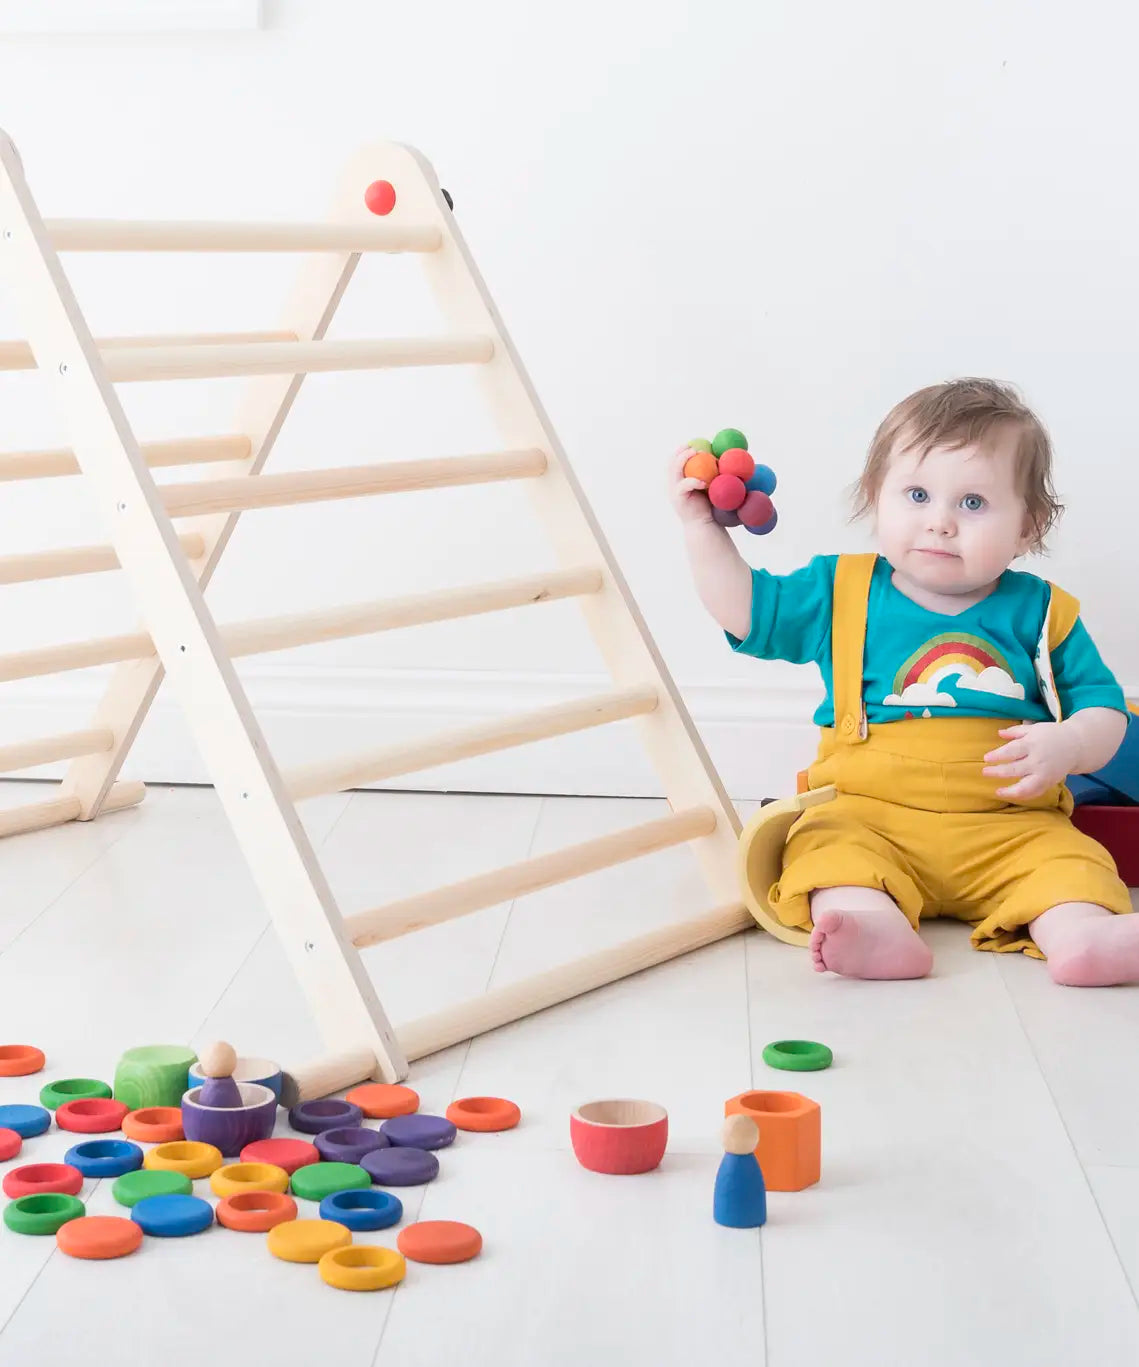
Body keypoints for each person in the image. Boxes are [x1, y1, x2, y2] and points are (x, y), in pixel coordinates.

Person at [672, 379, 1136, 985]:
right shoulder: (841, 590)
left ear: (1028, 526)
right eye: (917, 494)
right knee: (826, 850)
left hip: (1010, 826)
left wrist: (1071, 744)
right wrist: (702, 531)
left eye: (973, 503)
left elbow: (1106, 714)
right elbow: (747, 611)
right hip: (871, 815)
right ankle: (867, 925)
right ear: (875, 499)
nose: (940, 523)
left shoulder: (1046, 613)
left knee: (1070, 864)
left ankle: (1083, 938)